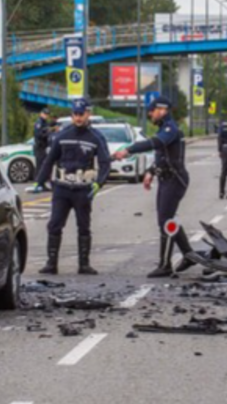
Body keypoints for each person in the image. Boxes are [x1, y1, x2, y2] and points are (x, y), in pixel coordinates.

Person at [114, 96, 198, 278]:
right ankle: (188, 254)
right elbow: (163, 157)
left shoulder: (170, 129)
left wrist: (128, 150)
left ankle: (165, 264)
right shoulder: (164, 128)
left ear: (162, 110)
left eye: (152, 111)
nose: (150, 114)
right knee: (167, 219)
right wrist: (151, 172)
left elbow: (156, 143)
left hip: (175, 179)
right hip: (166, 178)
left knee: (165, 221)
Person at [32, 99, 112, 276]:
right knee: (54, 225)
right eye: (75, 114)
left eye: (81, 114)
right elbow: (49, 160)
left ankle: (84, 264)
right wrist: (39, 181)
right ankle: (51, 263)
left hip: (83, 190)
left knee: (84, 226)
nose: (78, 117)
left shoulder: (96, 137)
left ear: (88, 114)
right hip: (62, 188)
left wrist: (99, 183)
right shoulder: (62, 135)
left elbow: (105, 163)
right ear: (72, 115)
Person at [30, 108, 57, 194]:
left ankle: (42, 184)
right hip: (40, 148)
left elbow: (47, 127)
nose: (46, 116)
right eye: (45, 114)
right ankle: (37, 185)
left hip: (44, 147)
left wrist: (53, 124)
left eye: (47, 114)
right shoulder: (39, 123)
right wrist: (49, 131)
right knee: (40, 167)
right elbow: (39, 135)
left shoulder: (44, 123)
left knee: (44, 166)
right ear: (41, 114)